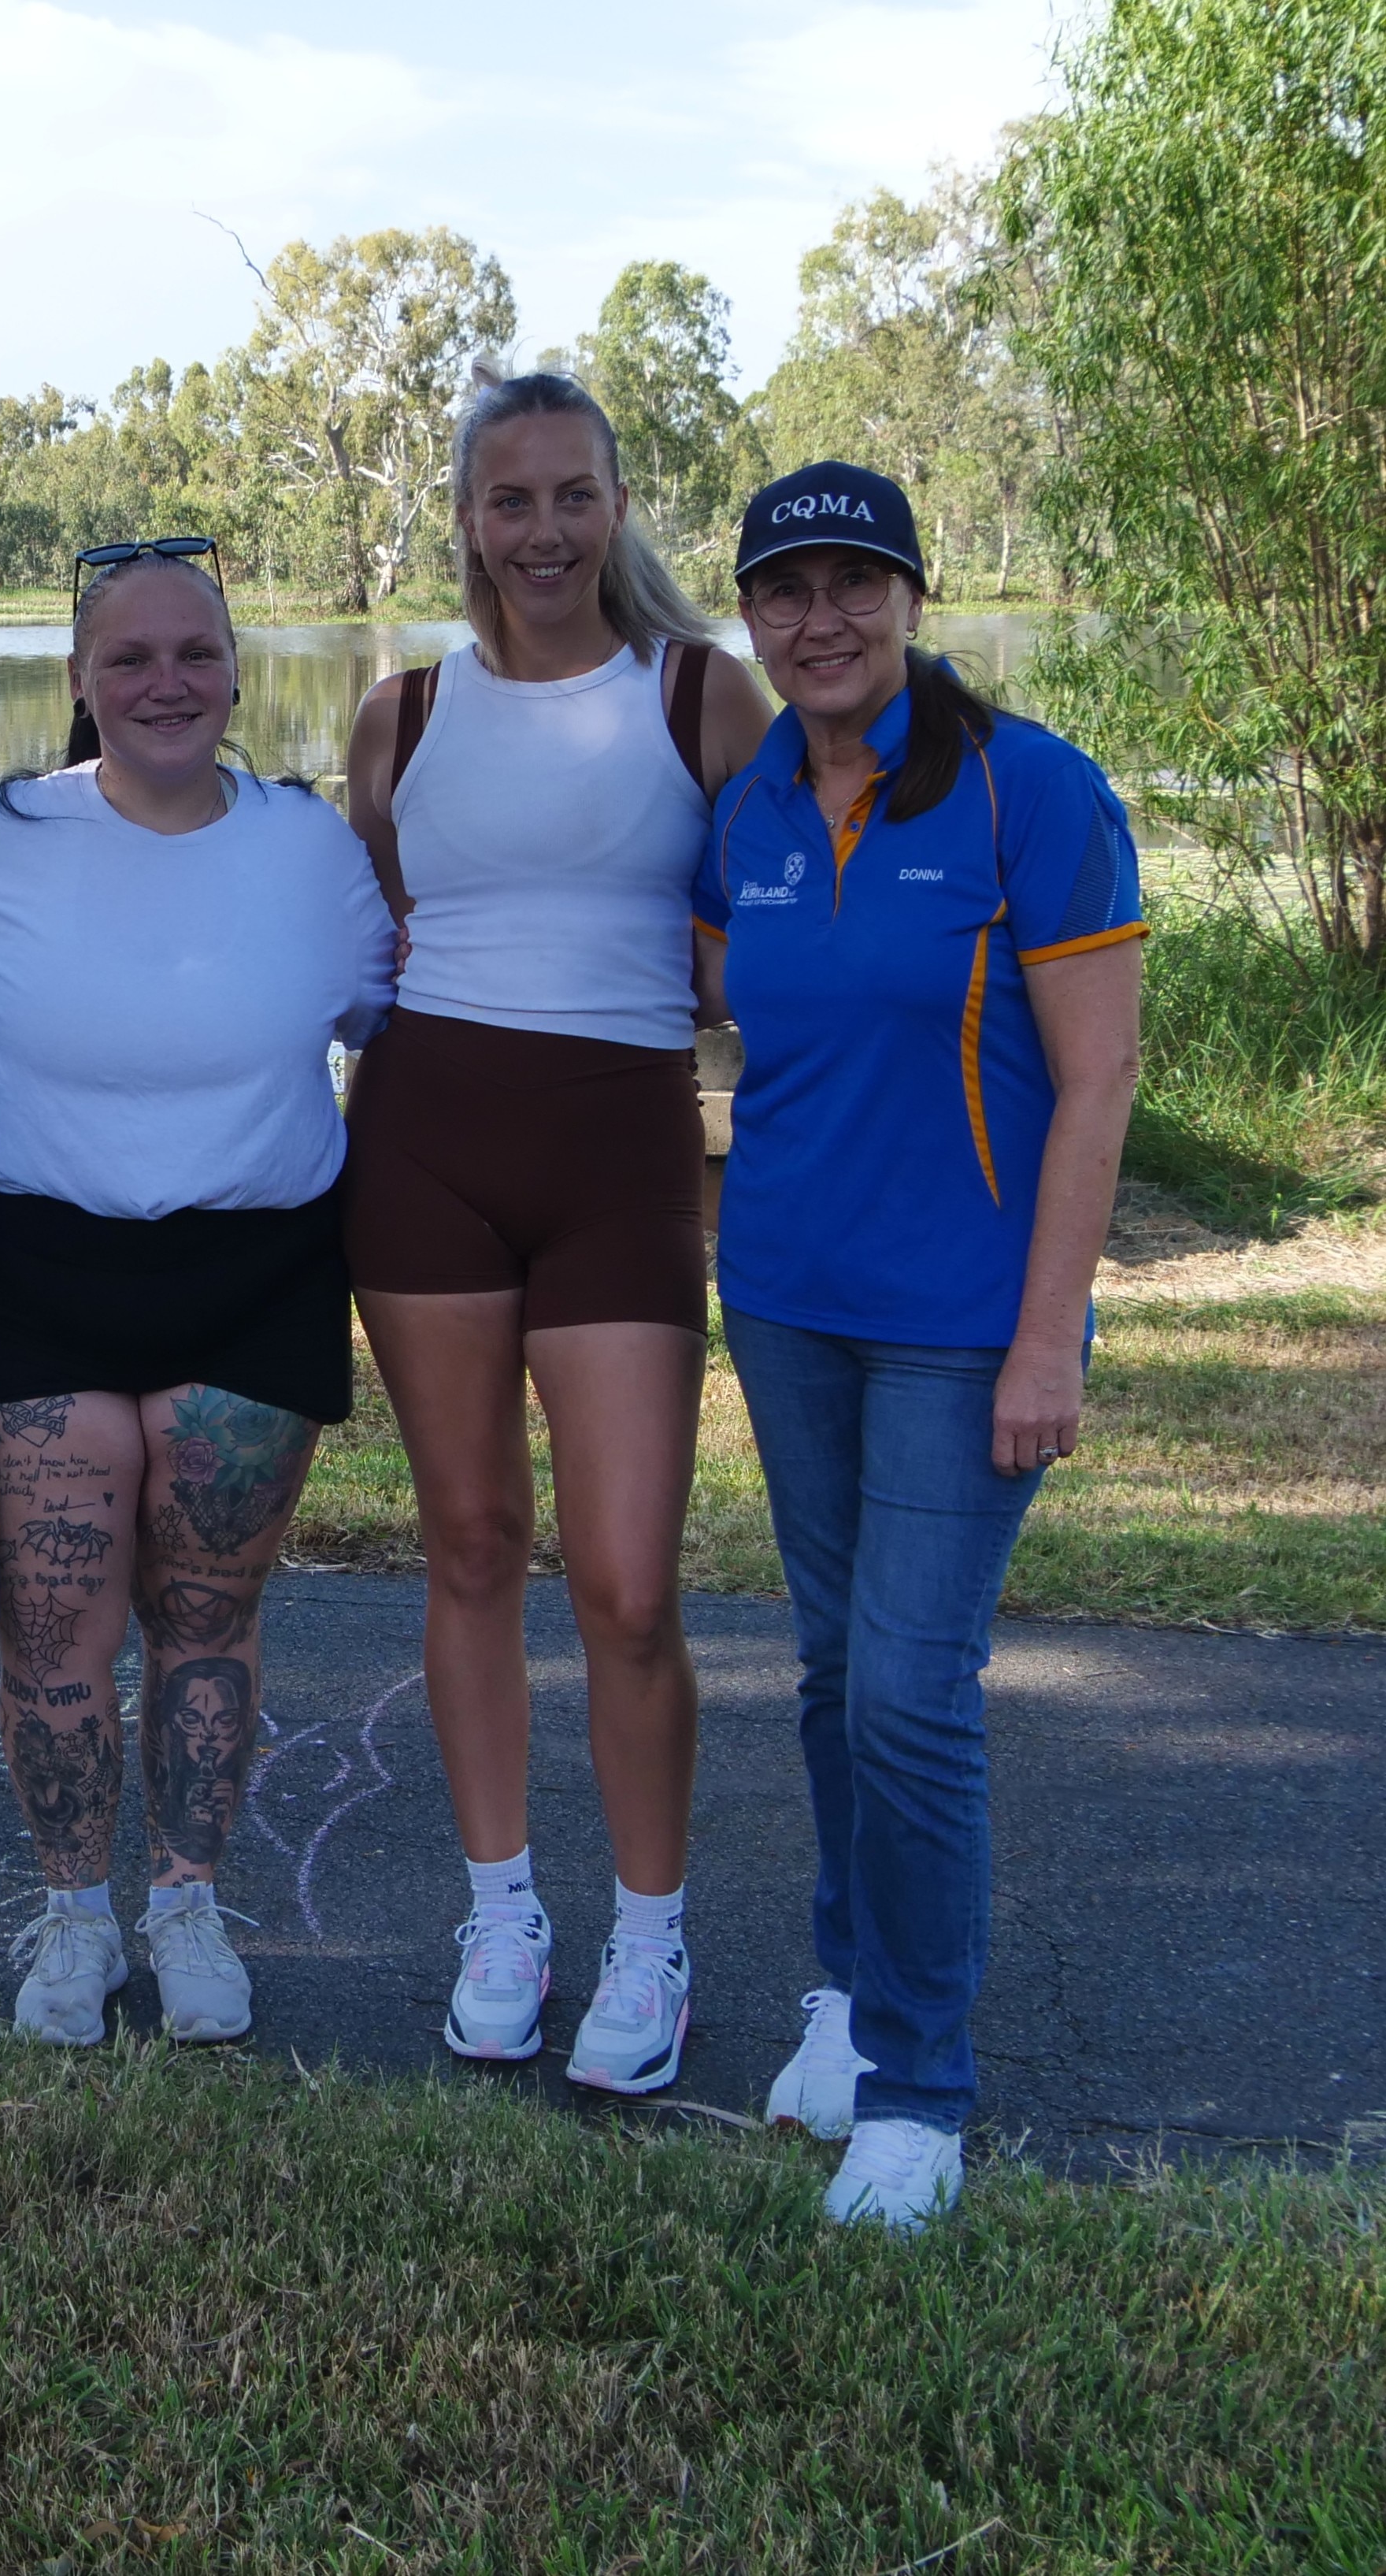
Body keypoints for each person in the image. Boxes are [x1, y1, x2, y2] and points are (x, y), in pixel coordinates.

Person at [694, 462, 1143, 2230]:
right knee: (826, 1674)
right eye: (786, 592)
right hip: (792, 1303)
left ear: (912, 598)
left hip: (969, 1329)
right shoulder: (750, 812)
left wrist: (1051, 1340)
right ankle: (846, 1995)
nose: (822, 622)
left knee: (908, 1693)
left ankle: (922, 2091)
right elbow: (749, 1033)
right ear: (750, 618)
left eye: (855, 586)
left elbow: (1097, 1079)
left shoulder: (1032, 790)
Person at [338, 372, 772, 2095]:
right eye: (507, 501)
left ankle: (652, 1939)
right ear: (467, 517)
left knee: (628, 1583)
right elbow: (382, 937)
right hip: (430, 1150)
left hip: (624, 1161)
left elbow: (760, 947)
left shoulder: (703, 696)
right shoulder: (403, 716)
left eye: (571, 496)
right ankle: (502, 1914)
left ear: (615, 507)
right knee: (465, 1544)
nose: (541, 531)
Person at [0, 537, 398, 2049]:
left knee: (205, 1610)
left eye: (193, 652)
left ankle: (187, 1905)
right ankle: (73, 1917)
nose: (164, 682)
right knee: (53, 1621)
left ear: (236, 670)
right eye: (127, 658)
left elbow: (381, 1021)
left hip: (250, 1266)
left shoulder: (307, 846)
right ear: (78, 681)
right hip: (38, 1265)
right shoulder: (3, 834)